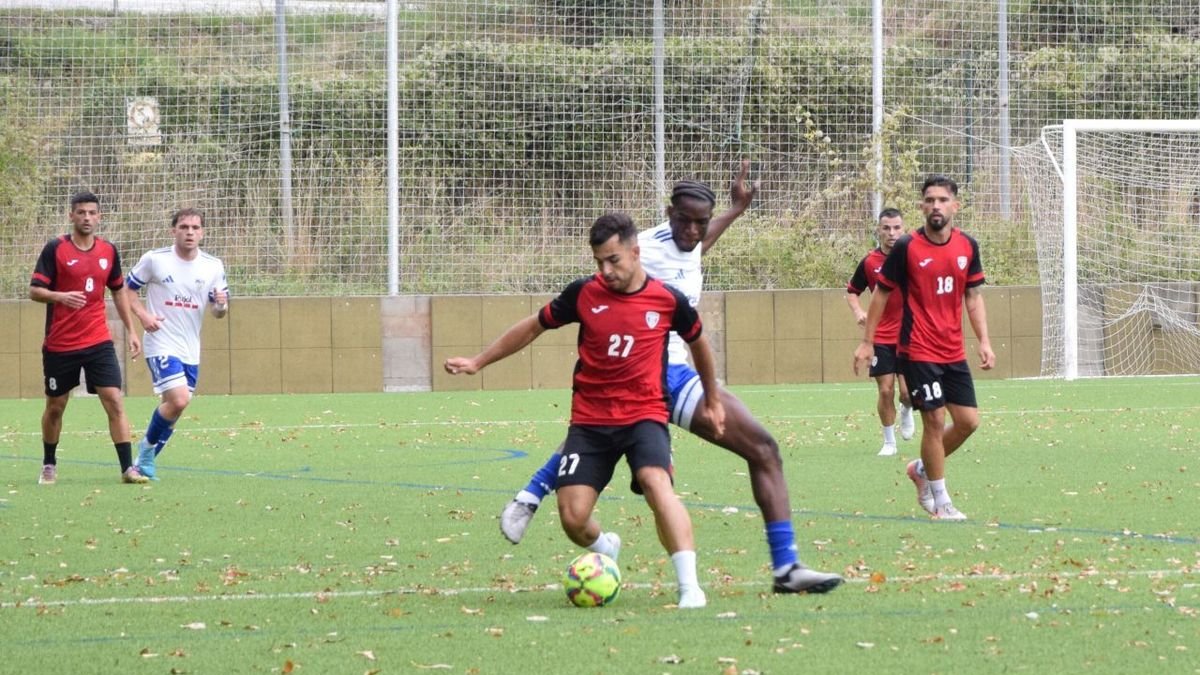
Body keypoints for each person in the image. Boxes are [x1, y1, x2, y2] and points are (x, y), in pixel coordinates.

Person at [498, 160, 844, 595]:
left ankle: (786, 567)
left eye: (700, 223)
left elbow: (700, 242)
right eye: (685, 221)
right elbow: (604, 275)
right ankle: (532, 494)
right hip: (653, 371)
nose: (694, 232)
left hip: (676, 372)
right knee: (604, 423)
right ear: (668, 214)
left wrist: (736, 211)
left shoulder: (693, 239)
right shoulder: (639, 248)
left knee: (763, 449)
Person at [446, 213, 725, 608]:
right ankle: (605, 546)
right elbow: (532, 326)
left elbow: (699, 344)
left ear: (635, 251)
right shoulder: (583, 294)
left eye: (614, 260)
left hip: (644, 415)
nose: (605, 270)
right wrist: (479, 361)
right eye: (599, 262)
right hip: (591, 422)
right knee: (573, 517)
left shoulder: (666, 300)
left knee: (656, 485)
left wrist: (712, 401)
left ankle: (690, 587)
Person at [853, 175, 995, 520]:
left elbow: (973, 297)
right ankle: (941, 502)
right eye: (929, 200)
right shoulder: (907, 247)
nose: (936, 206)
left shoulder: (968, 247)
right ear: (921, 206)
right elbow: (881, 294)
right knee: (934, 420)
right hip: (917, 349)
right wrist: (867, 342)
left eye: (942, 200)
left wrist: (985, 342)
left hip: (954, 351)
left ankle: (920, 468)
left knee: (969, 422)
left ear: (954, 206)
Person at [29, 191, 149, 485]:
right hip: (60, 344)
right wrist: (59, 296)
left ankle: (127, 469)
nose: (86, 218)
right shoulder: (55, 249)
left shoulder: (109, 251)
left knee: (114, 400)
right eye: (81, 212)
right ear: (71, 216)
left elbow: (118, 290)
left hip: (98, 341)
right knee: (56, 406)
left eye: (92, 213)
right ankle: (49, 463)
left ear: (99, 217)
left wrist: (132, 330)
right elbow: (34, 291)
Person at [123, 208, 229, 480]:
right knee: (179, 399)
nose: (190, 232)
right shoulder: (155, 260)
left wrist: (220, 304)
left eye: (195, 228)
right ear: (174, 231)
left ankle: (144, 462)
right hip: (161, 342)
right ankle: (145, 453)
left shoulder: (212, 266)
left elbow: (219, 312)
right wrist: (143, 316)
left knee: (176, 406)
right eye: (184, 227)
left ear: (202, 232)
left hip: (190, 348)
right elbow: (128, 290)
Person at [845, 208, 916, 456]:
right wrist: (858, 313)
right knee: (886, 389)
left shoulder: (913, 258)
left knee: (907, 393)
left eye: (897, 227)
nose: (892, 233)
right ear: (879, 230)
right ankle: (889, 442)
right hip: (881, 336)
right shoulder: (870, 262)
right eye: (886, 228)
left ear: (904, 228)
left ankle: (907, 409)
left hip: (910, 335)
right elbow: (852, 291)